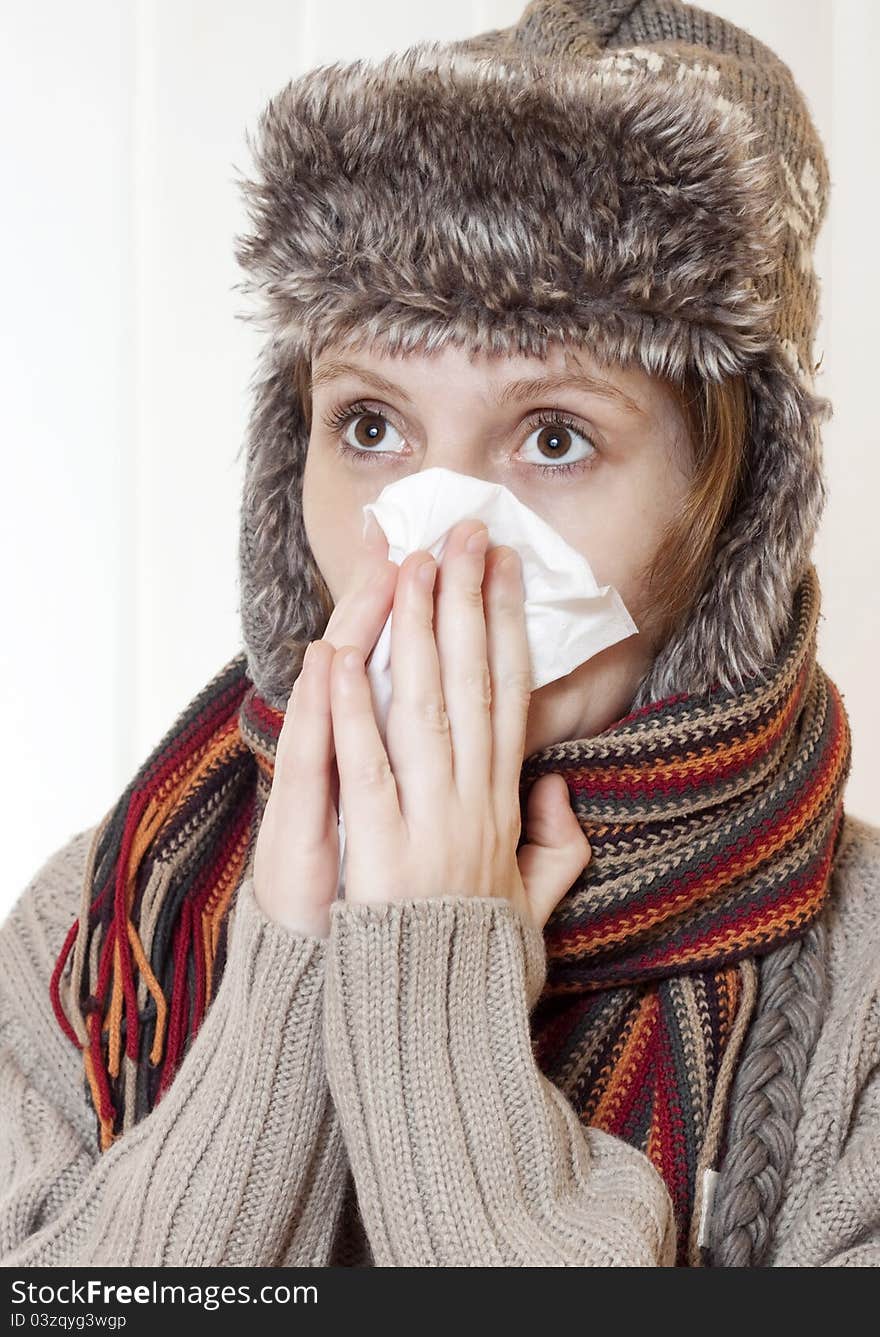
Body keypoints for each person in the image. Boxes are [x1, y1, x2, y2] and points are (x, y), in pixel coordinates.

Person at [1, 0, 877, 1269]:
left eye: (555, 435)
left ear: (729, 511)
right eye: (370, 426)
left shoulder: (856, 1009)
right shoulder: (95, 930)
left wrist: (431, 1027)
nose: (424, 541)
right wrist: (288, 993)